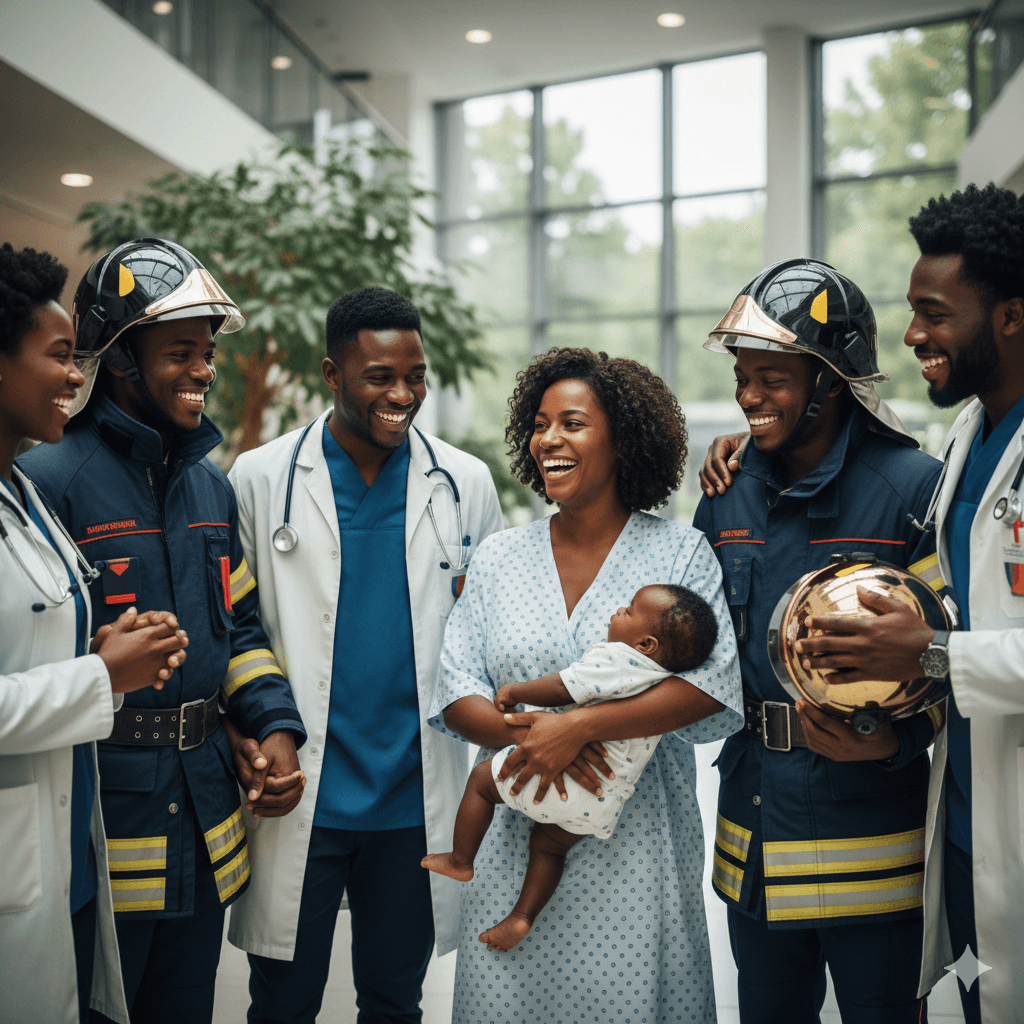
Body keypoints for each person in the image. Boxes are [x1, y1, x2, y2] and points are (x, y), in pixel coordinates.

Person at [18, 237, 306, 1024]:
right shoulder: (45, 484)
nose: (205, 371)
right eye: (181, 352)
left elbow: (239, 625)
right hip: (105, 837)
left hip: (208, 823)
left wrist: (274, 728)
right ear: (117, 360)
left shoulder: (210, 487)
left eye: (207, 352)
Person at [433, 346, 744, 1023]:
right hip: (512, 845)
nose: (550, 439)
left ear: (623, 439)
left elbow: (713, 688)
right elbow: (456, 688)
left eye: (572, 423)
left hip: (636, 853)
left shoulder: (679, 554)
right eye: (540, 424)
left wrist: (577, 727)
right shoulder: (499, 557)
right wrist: (528, 736)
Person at [225, 285, 504, 1024]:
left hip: (413, 799)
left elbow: (486, 631)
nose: (403, 393)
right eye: (380, 376)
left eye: (415, 374)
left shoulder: (463, 482)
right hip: (302, 794)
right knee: (281, 1004)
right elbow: (235, 624)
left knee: (393, 1000)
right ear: (332, 374)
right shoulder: (258, 478)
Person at [780, 185, 1024, 1024]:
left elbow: (953, 642)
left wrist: (928, 654)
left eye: (934, 312)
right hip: (964, 817)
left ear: (1010, 319)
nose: (914, 333)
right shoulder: (965, 438)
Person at [692, 258, 949, 1024]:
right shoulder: (725, 487)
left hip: (872, 848)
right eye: (743, 375)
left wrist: (894, 745)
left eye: (772, 377)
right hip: (754, 840)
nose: (748, 396)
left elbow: (952, 660)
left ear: (831, 382)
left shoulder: (915, 488)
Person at [0, 244, 189, 1024]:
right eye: (56, 357)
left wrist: (106, 643)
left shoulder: (22, 490)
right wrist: (101, 678)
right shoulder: (48, 477)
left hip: (69, 851)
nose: (76, 376)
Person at [423, 582, 718, 952]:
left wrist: (517, 692)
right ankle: (522, 916)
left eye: (628, 610)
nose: (617, 611)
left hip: (564, 779)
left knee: (482, 781)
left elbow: (564, 687)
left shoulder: (618, 660)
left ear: (646, 645)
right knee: (549, 847)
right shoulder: (664, 682)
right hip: (603, 802)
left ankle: (461, 858)